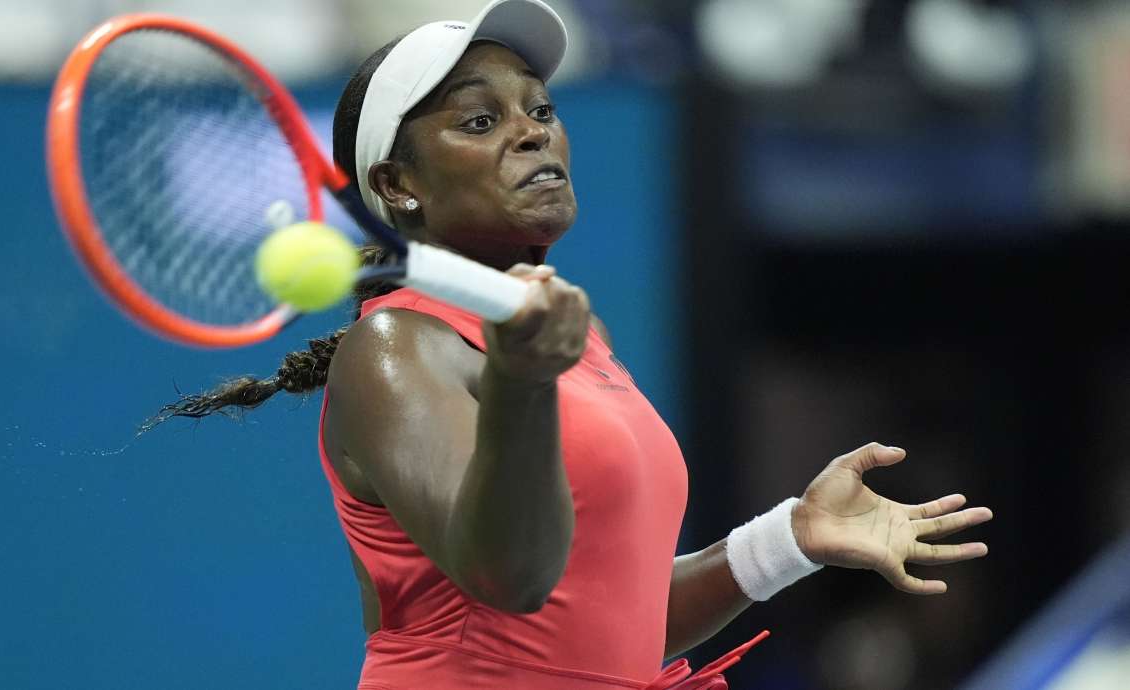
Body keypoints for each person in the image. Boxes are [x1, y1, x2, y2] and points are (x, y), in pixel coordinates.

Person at [148, 1, 993, 688]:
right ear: (397, 186)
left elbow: (605, 626)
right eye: (480, 119)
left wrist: (789, 538)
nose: (532, 133)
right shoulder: (396, 349)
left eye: (541, 110)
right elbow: (509, 578)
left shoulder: (580, 340)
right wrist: (521, 380)